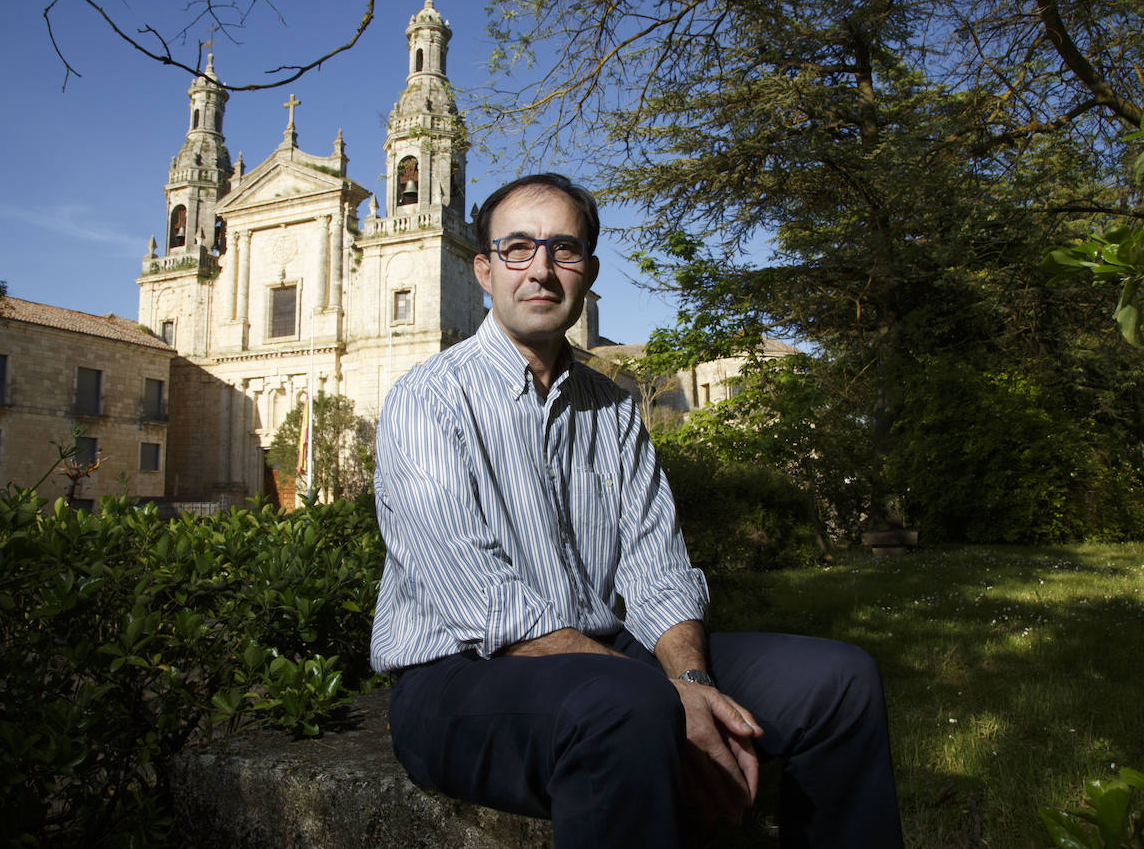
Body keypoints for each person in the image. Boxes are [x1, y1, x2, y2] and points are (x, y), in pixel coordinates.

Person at [369, 173, 904, 848]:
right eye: (517, 249)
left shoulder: (614, 408)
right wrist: (670, 700)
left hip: (604, 659)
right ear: (484, 269)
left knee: (839, 682)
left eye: (563, 250)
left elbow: (658, 565)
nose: (541, 269)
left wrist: (688, 677)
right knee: (626, 706)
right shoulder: (428, 398)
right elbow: (481, 604)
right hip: (459, 680)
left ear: (587, 272)